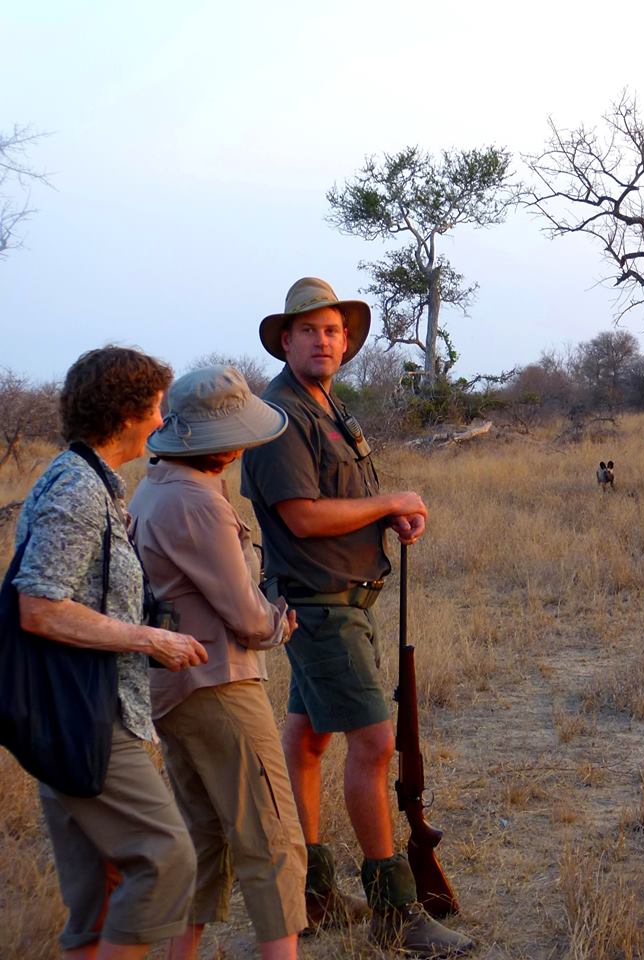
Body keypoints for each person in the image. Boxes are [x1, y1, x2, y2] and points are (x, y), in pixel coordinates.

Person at [240, 277, 473, 957]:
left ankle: (308, 894)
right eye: (309, 329)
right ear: (285, 339)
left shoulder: (330, 406)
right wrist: (392, 498)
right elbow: (303, 516)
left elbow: (347, 497)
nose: (323, 340)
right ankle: (394, 912)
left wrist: (388, 510)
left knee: (307, 742)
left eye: (334, 330)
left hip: (344, 600)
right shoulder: (280, 414)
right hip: (321, 607)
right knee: (374, 747)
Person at [14, 346, 209, 960]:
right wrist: (148, 637)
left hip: (73, 711)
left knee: (100, 887)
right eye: (155, 407)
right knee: (166, 860)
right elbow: (39, 607)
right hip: (87, 715)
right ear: (127, 412)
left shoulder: (88, 479)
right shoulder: (77, 487)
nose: (160, 420)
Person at [129, 366, 308, 960]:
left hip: (171, 688)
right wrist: (279, 621)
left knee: (203, 838)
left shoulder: (155, 486)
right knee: (273, 835)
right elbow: (247, 617)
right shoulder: (196, 501)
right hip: (218, 686)